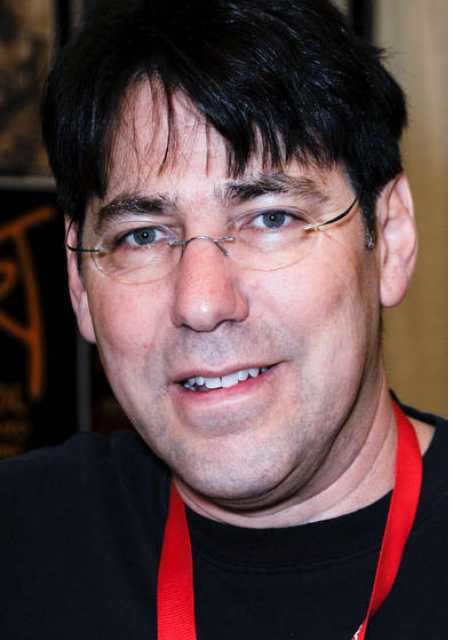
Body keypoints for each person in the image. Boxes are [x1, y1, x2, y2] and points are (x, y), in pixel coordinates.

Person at [0, 1, 446, 638]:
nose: (202, 303)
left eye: (270, 218)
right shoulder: (21, 549)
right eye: (143, 235)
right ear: (78, 280)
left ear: (392, 238)